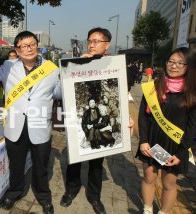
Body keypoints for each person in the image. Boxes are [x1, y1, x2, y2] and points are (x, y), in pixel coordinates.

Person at [60, 27, 137, 214]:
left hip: (99, 117)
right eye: (90, 41)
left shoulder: (113, 65)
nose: (92, 45)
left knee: (96, 162)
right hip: (81, 116)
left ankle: (94, 197)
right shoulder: (77, 63)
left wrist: (129, 117)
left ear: (107, 44)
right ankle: (71, 190)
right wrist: (77, 65)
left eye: (97, 41)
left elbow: (123, 95)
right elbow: (64, 88)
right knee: (74, 160)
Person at [0, 31, 61, 214]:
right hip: (15, 126)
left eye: (31, 44)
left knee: (41, 166)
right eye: (23, 46)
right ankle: (14, 192)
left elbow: (59, 93)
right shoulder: (8, 66)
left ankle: (43, 197)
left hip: (40, 125)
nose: (28, 49)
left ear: (37, 45)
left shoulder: (52, 69)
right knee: (15, 164)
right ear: (17, 49)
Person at [136, 47, 196, 214]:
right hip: (153, 143)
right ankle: (147, 210)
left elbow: (192, 127)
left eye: (179, 63)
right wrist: (143, 141)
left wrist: (181, 153)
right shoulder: (154, 86)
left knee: (169, 184)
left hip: (174, 146)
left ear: (188, 67)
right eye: (171, 61)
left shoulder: (191, 92)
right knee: (149, 178)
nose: (173, 66)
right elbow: (143, 116)